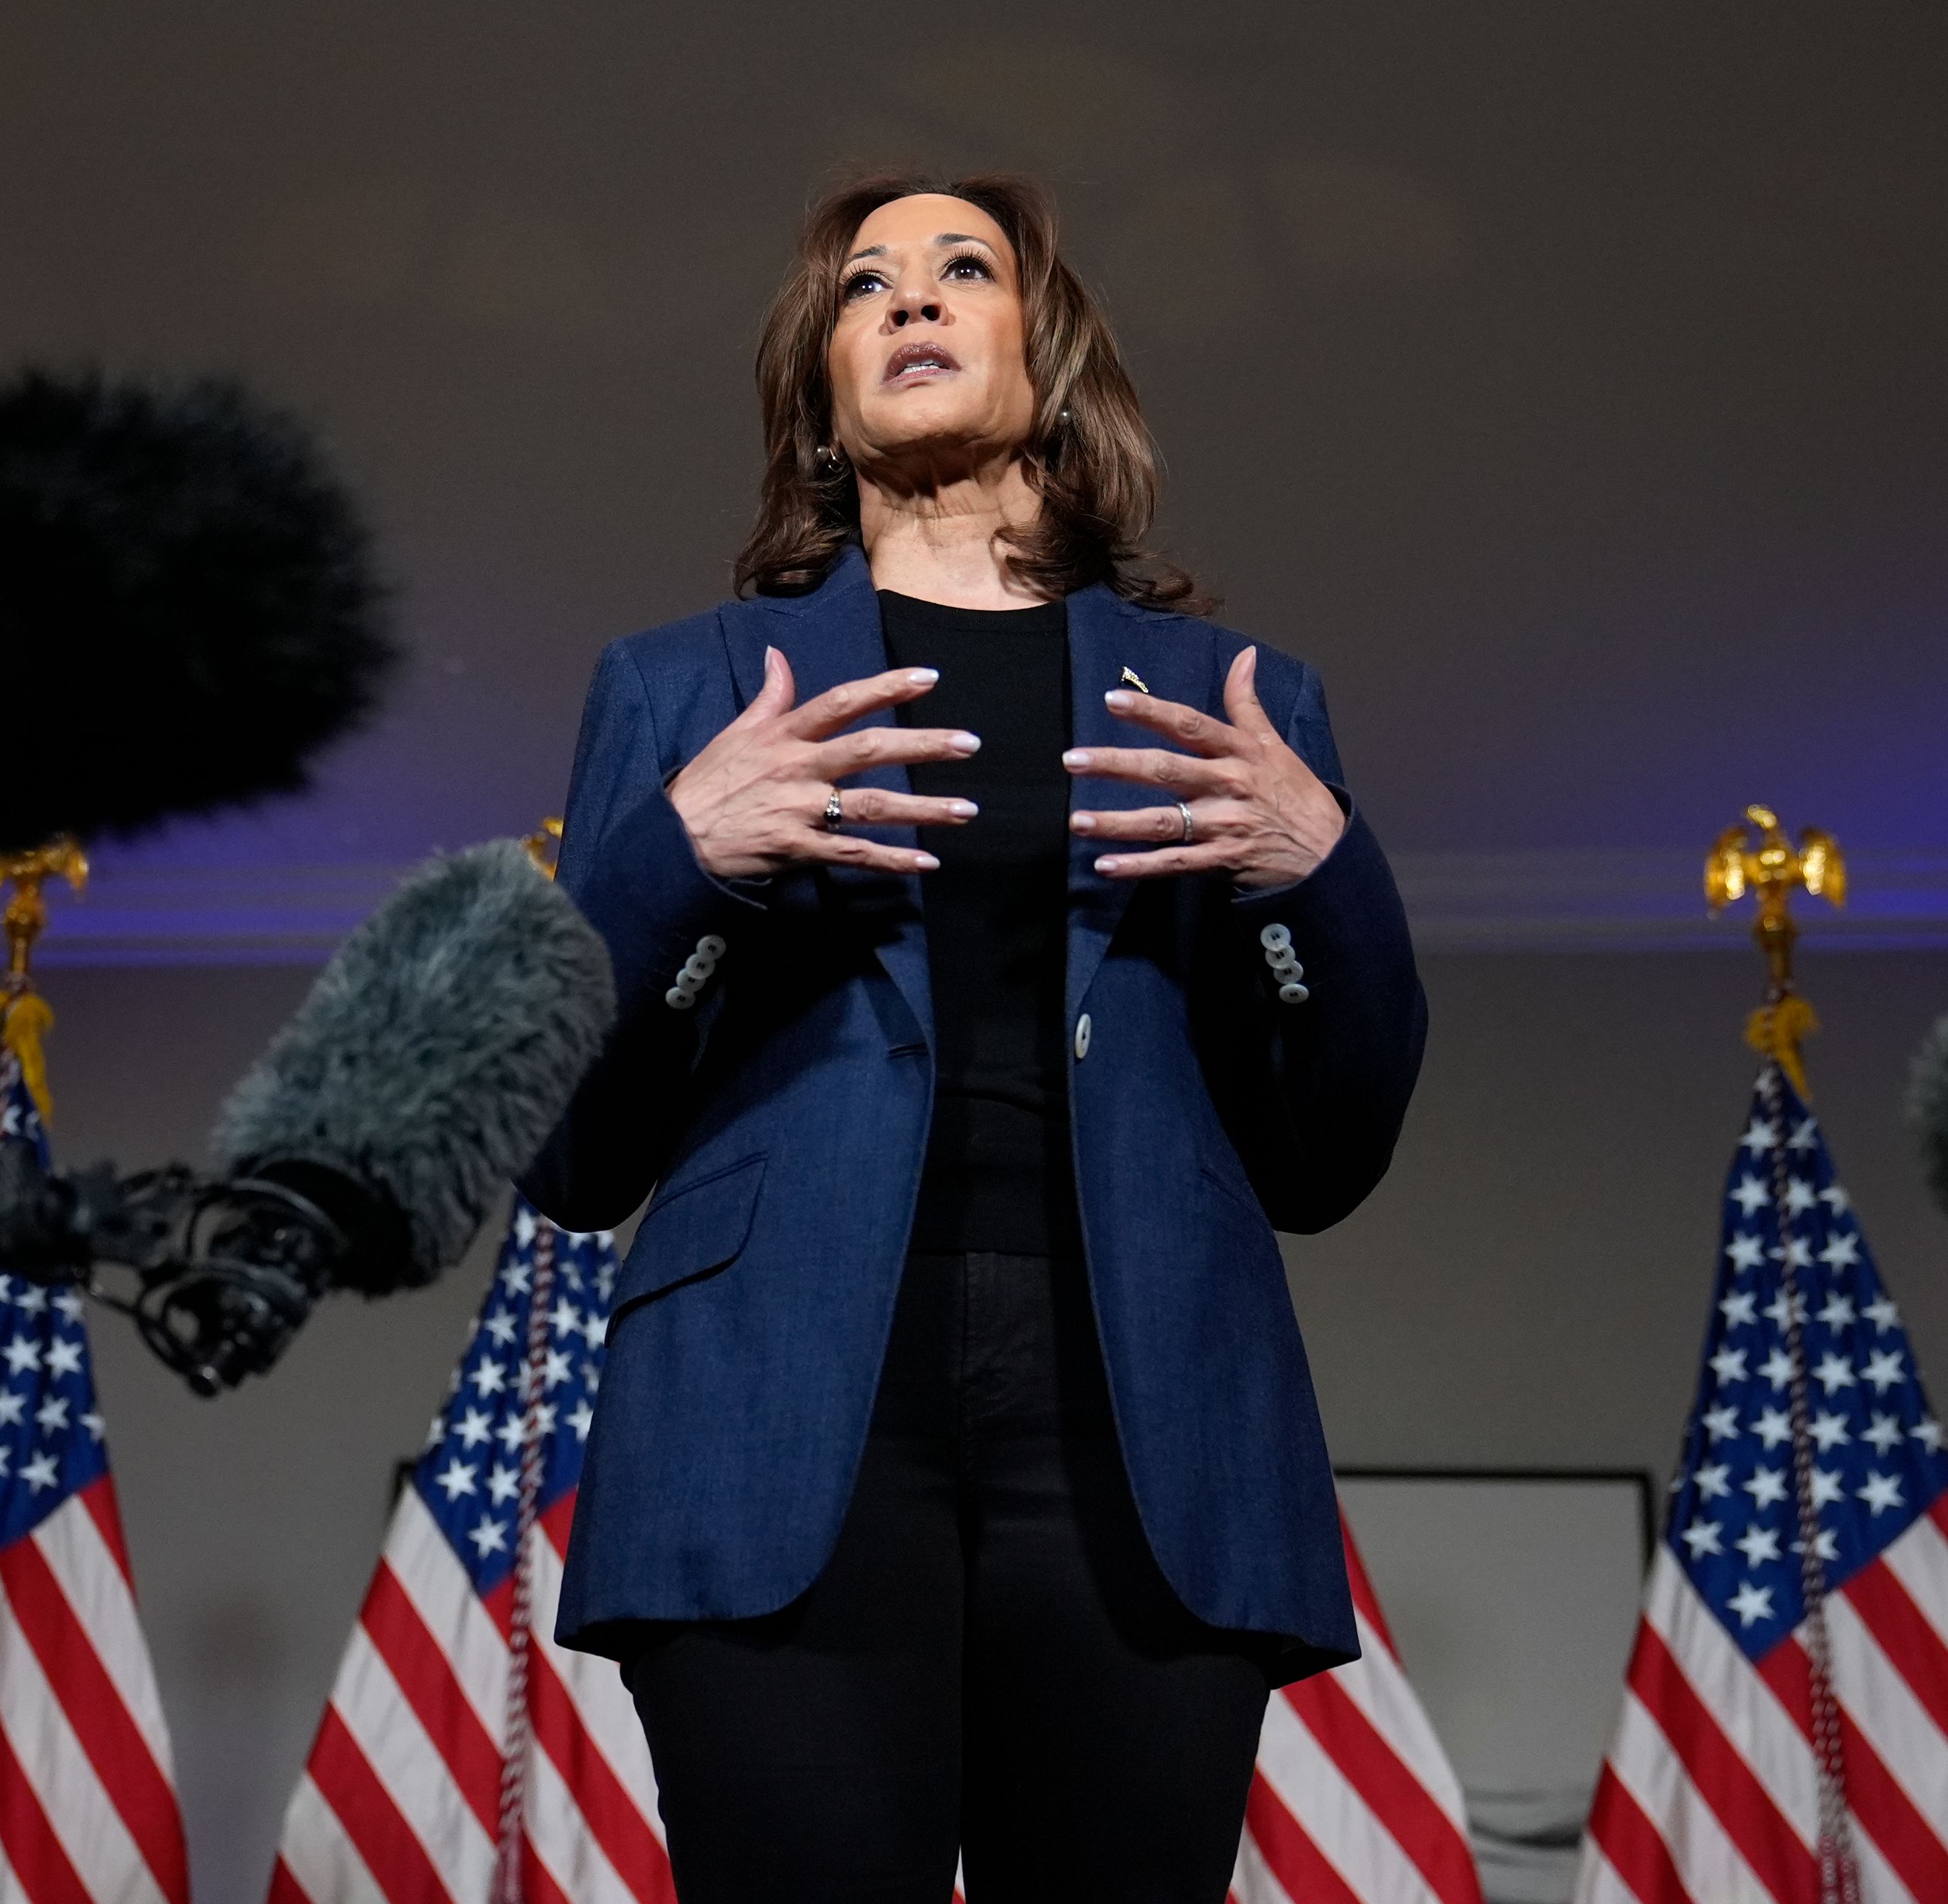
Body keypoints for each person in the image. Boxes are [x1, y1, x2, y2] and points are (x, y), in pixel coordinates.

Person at [519, 171, 1427, 1904]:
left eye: (962, 270)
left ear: (1050, 355)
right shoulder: (680, 690)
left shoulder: (1239, 700)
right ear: (821, 392)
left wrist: (1322, 877)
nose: (912, 302)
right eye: (866, 287)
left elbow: (1326, 1154)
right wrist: (682, 866)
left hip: (1145, 1409)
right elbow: (574, 1150)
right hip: (780, 1405)